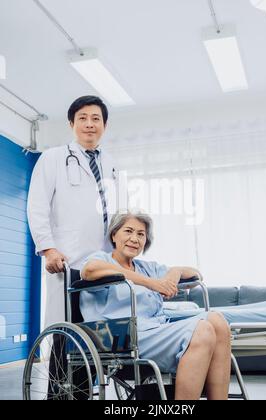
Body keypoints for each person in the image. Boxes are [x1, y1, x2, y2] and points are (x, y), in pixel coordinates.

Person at [80, 210, 232, 401]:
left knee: (217, 320)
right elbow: (89, 270)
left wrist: (173, 274)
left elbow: (195, 275)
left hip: (155, 329)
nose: (134, 238)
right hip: (120, 336)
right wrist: (151, 283)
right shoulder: (102, 260)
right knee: (203, 331)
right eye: (128, 231)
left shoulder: (147, 267)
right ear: (114, 235)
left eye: (141, 234)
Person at [27, 95, 124, 327]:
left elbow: (118, 211)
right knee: (66, 323)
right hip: (67, 256)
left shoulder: (111, 163)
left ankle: (95, 365)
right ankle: (58, 365)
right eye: (82, 118)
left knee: (100, 325)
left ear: (104, 125)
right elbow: (37, 206)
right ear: (72, 124)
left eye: (95, 118)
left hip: (105, 258)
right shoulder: (53, 158)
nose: (89, 124)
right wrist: (48, 249)